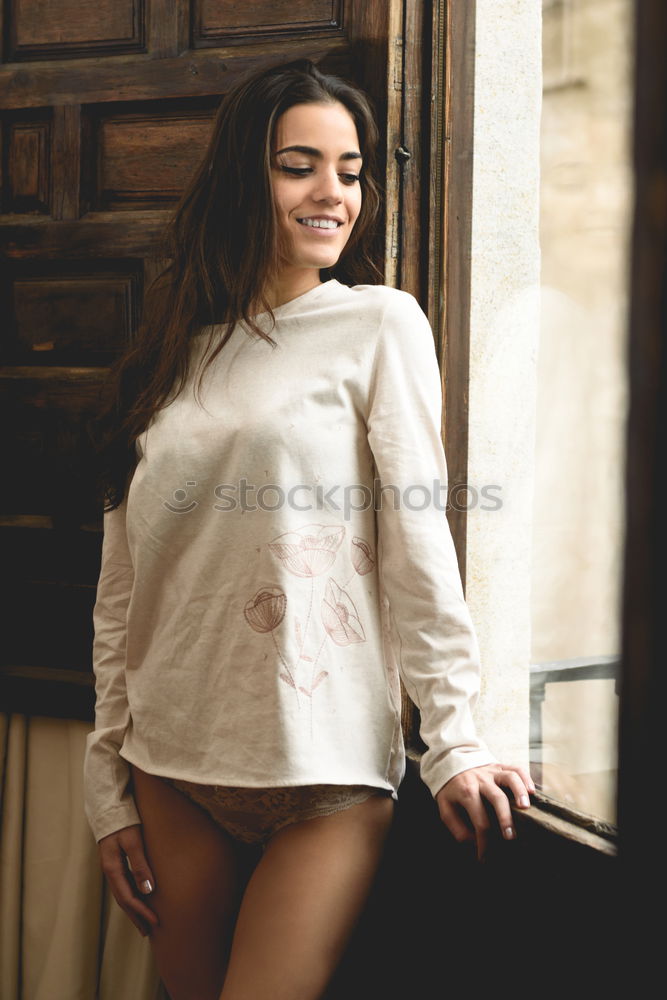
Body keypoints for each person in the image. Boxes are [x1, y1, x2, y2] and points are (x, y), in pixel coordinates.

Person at [83, 57, 534, 1000]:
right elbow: (123, 582)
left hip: (325, 765)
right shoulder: (173, 346)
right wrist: (104, 787)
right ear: (245, 175)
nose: (333, 193)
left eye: (351, 169)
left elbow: (419, 539)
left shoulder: (379, 325)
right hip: (172, 756)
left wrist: (454, 736)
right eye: (300, 164)